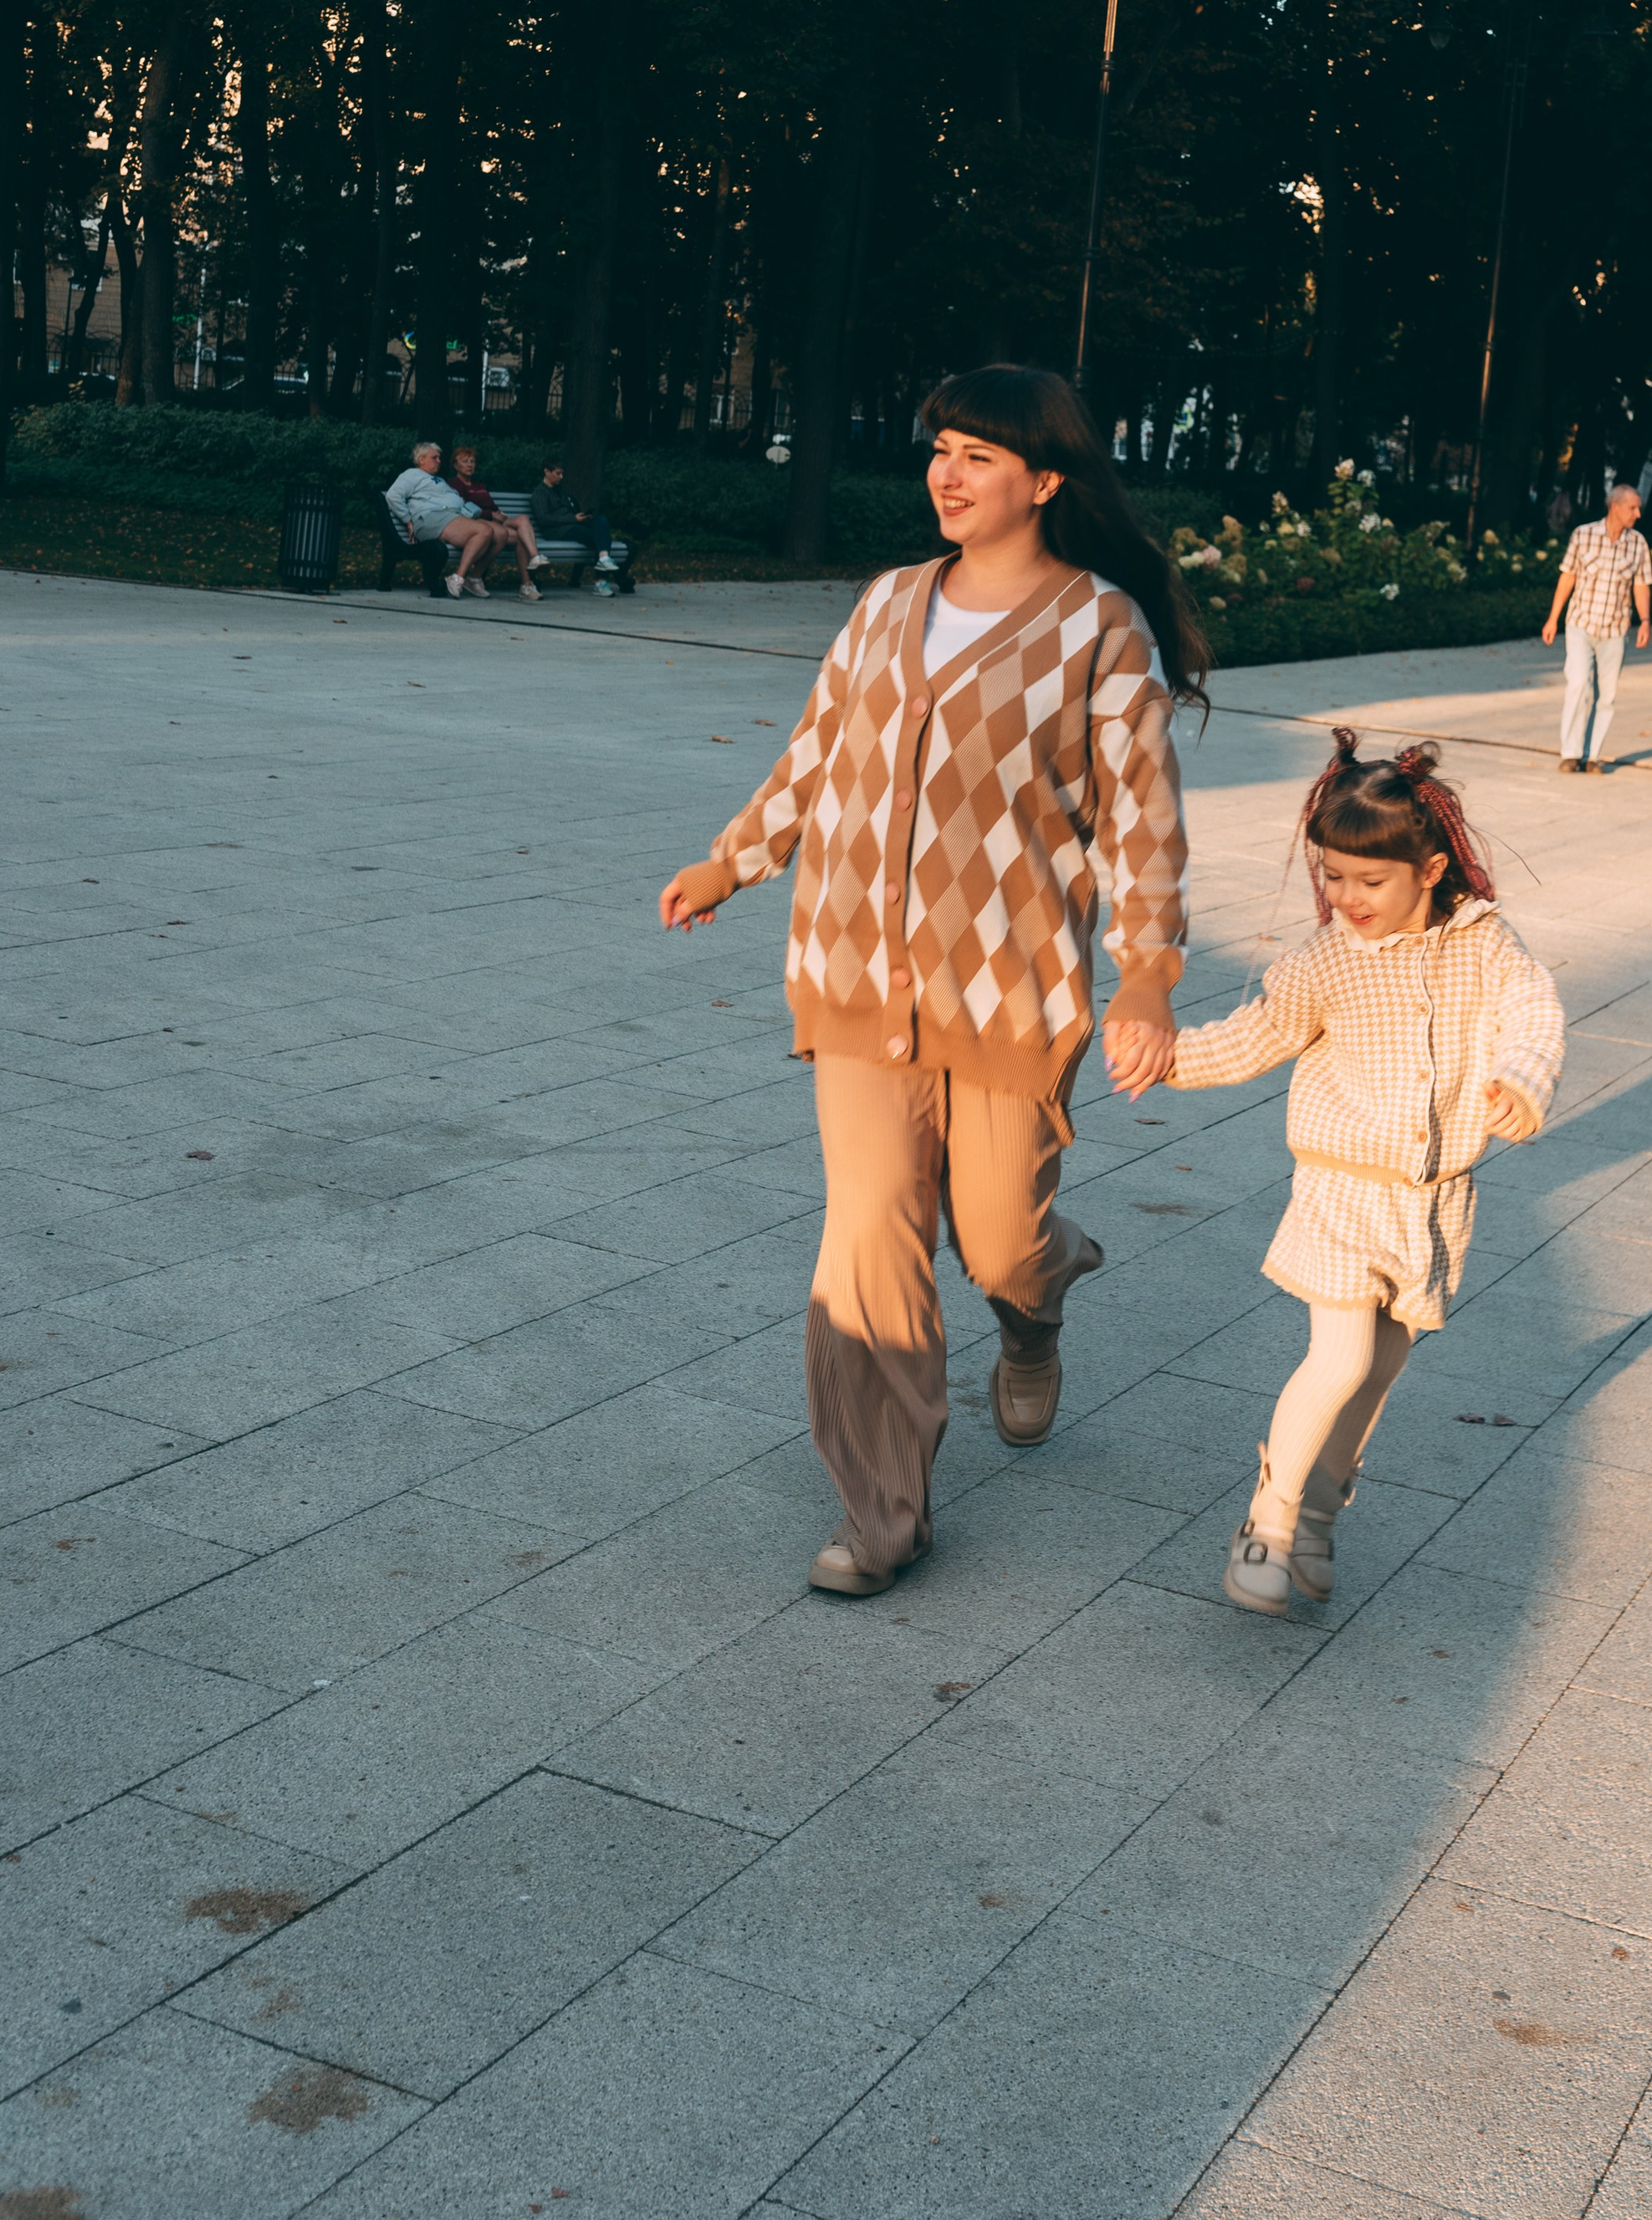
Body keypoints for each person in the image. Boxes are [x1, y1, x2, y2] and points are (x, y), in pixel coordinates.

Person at [657, 365, 1204, 1599]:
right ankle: (882, 1511)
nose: (946, 476)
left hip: (1010, 988)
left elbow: (1142, 819)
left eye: (978, 456)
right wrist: (732, 858)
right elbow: (818, 752)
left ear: (1044, 481)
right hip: (853, 969)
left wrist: (1148, 975)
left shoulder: (1100, 625)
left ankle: (1039, 1302)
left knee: (1000, 1238)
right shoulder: (889, 599)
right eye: (941, 449)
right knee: (868, 1239)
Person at [1170, 733, 1563, 1615]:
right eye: (1334, 875)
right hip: (1342, 1189)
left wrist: (1521, 1082)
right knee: (1340, 1353)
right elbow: (1256, 1035)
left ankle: (1316, 1514)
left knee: (1380, 1366)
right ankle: (1268, 1523)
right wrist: (1167, 1057)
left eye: (1370, 880)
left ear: (1430, 869)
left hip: (1431, 1202)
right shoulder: (1325, 961)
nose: (1347, 898)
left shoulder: (1484, 945)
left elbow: (1533, 1011)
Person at [1541, 482, 1652, 773]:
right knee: (1578, 685)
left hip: (1615, 630)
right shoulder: (1583, 535)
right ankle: (1570, 753)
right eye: (1633, 508)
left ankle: (1592, 756)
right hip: (1581, 625)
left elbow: (1641, 585)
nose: (1638, 514)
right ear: (1615, 507)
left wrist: (1645, 621)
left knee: (1607, 696)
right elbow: (1568, 577)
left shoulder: (1638, 543)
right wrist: (1553, 617)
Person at [385, 442, 503, 598]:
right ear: (421, 459)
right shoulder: (412, 474)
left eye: (439, 458)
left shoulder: (438, 480)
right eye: (434, 458)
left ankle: (474, 579)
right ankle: (457, 578)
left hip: (454, 515)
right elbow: (392, 496)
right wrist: (407, 520)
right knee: (484, 531)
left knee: (501, 534)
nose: (439, 461)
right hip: (432, 518)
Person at [449, 445, 545, 604]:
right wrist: (490, 515)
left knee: (523, 520)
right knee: (520, 537)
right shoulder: (454, 485)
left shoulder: (479, 486)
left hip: (494, 521)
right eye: (465, 461)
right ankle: (526, 584)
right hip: (476, 523)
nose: (470, 465)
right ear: (456, 465)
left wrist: (498, 513)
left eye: (472, 461)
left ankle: (534, 560)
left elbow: (492, 506)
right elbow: (463, 508)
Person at [530, 460, 624, 595]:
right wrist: (573, 519)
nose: (561, 477)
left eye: (562, 474)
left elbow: (570, 511)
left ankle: (604, 558)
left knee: (601, 522)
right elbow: (544, 519)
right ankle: (601, 582)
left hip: (572, 525)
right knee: (599, 537)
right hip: (557, 531)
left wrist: (581, 517)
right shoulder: (540, 492)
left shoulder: (560, 490)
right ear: (546, 471)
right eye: (558, 473)